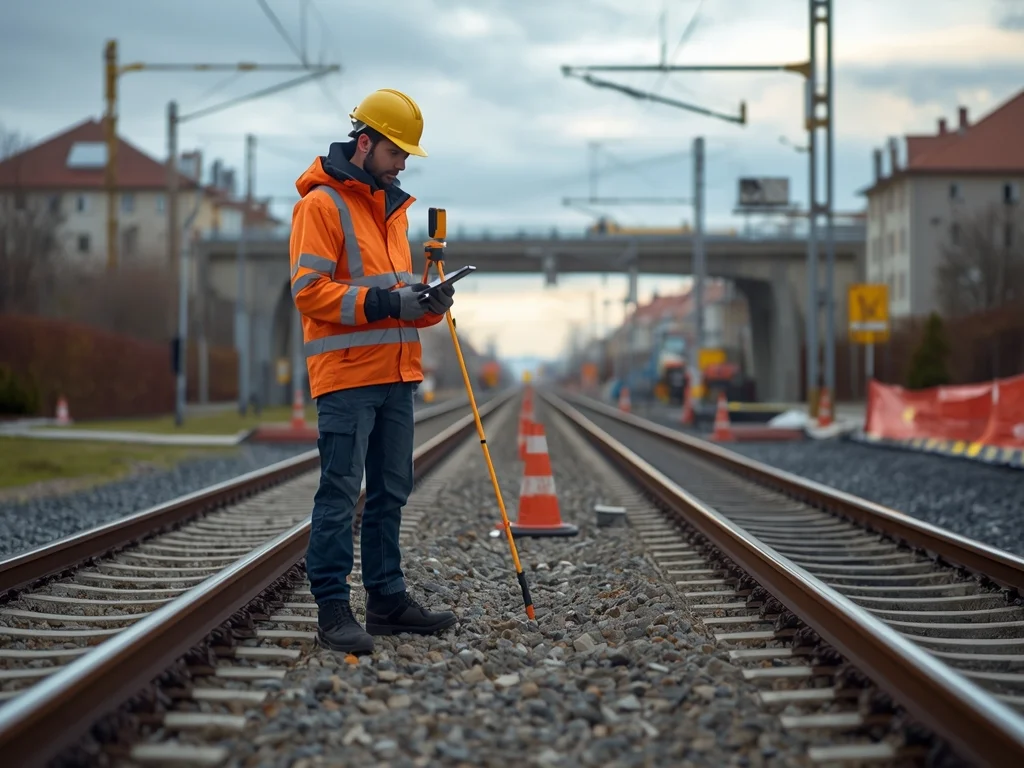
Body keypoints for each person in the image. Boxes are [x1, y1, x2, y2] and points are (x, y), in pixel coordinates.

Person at [289, 88, 458, 655]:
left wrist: (427, 305)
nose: (404, 163)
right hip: (345, 377)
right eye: (398, 151)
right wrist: (390, 305)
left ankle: (386, 600)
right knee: (340, 492)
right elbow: (309, 292)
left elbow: (394, 301)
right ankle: (333, 609)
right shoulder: (322, 205)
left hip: (396, 373)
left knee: (390, 491)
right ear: (365, 143)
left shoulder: (391, 213)